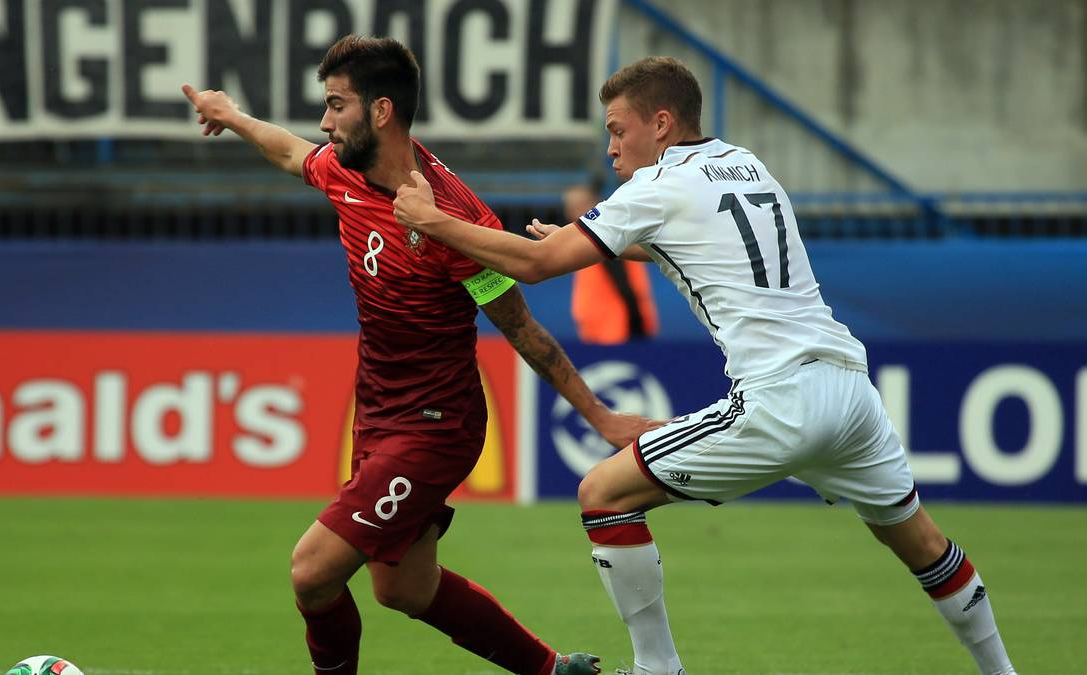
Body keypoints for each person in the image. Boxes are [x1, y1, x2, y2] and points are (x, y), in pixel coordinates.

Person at [393, 56, 1017, 675]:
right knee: (922, 543)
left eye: (618, 129)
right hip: (851, 389)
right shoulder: (745, 164)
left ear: (661, 123)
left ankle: (657, 669)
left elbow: (533, 265)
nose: (611, 147)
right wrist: (600, 240)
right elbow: (696, 242)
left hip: (780, 398)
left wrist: (434, 221)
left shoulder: (654, 188)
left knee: (602, 494)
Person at [183, 35, 654, 675]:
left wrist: (600, 416)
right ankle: (553, 670)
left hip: (435, 425)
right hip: (377, 415)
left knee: (312, 572)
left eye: (337, 105)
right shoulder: (344, 171)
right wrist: (233, 116)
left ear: (381, 111)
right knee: (403, 587)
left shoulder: (453, 218)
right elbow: (291, 152)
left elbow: (521, 327)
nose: (324, 122)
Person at [563, 184, 658, 344]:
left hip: (618, 333)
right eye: (570, 207)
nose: (574, 212)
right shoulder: (588, 243)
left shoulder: (606, 241)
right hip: (597, 333)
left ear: (595, 205)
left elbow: (626, 287)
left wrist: (638, 330)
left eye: (580, 205)